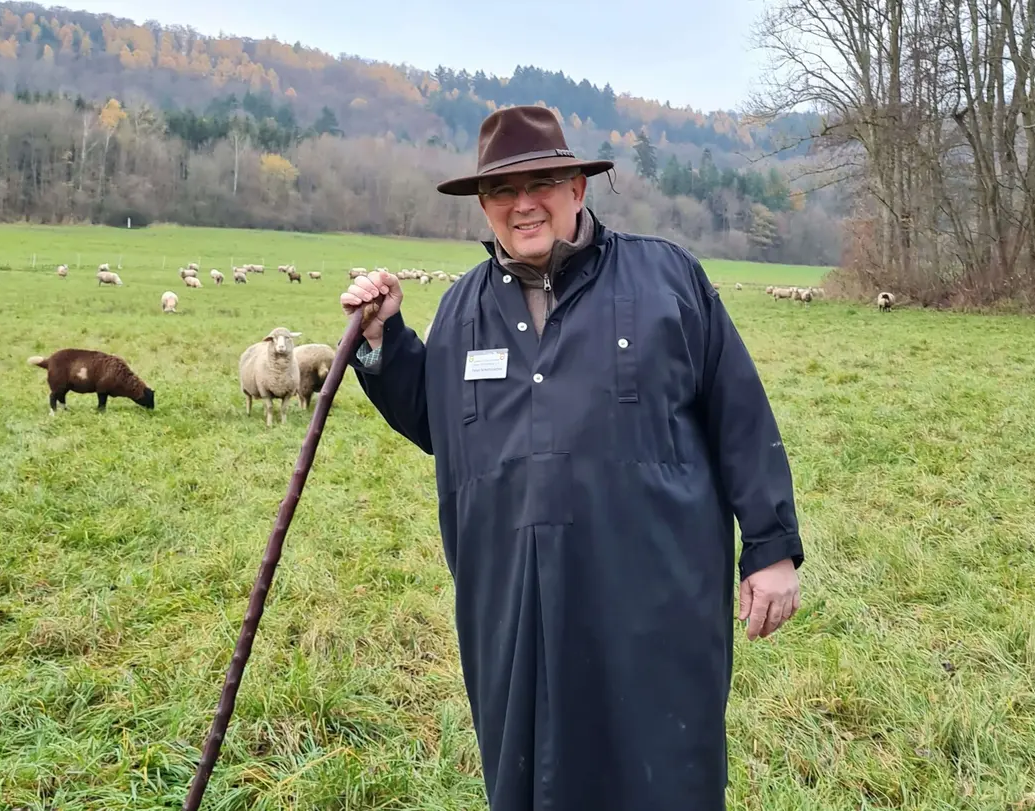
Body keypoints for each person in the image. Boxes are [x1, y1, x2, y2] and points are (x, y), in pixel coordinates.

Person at [340, 105, 803, 811]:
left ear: (578, 189)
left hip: (654, 595)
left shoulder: (666, 279)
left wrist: (770, 547)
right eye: (502, 191)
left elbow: (738, 410)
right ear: (484, 207)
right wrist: (383, 341)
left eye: (544, 181)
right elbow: (443, 423)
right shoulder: (463, 307)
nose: (523, 204)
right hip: (514, 603)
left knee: (662, 770)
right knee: (534, 775)